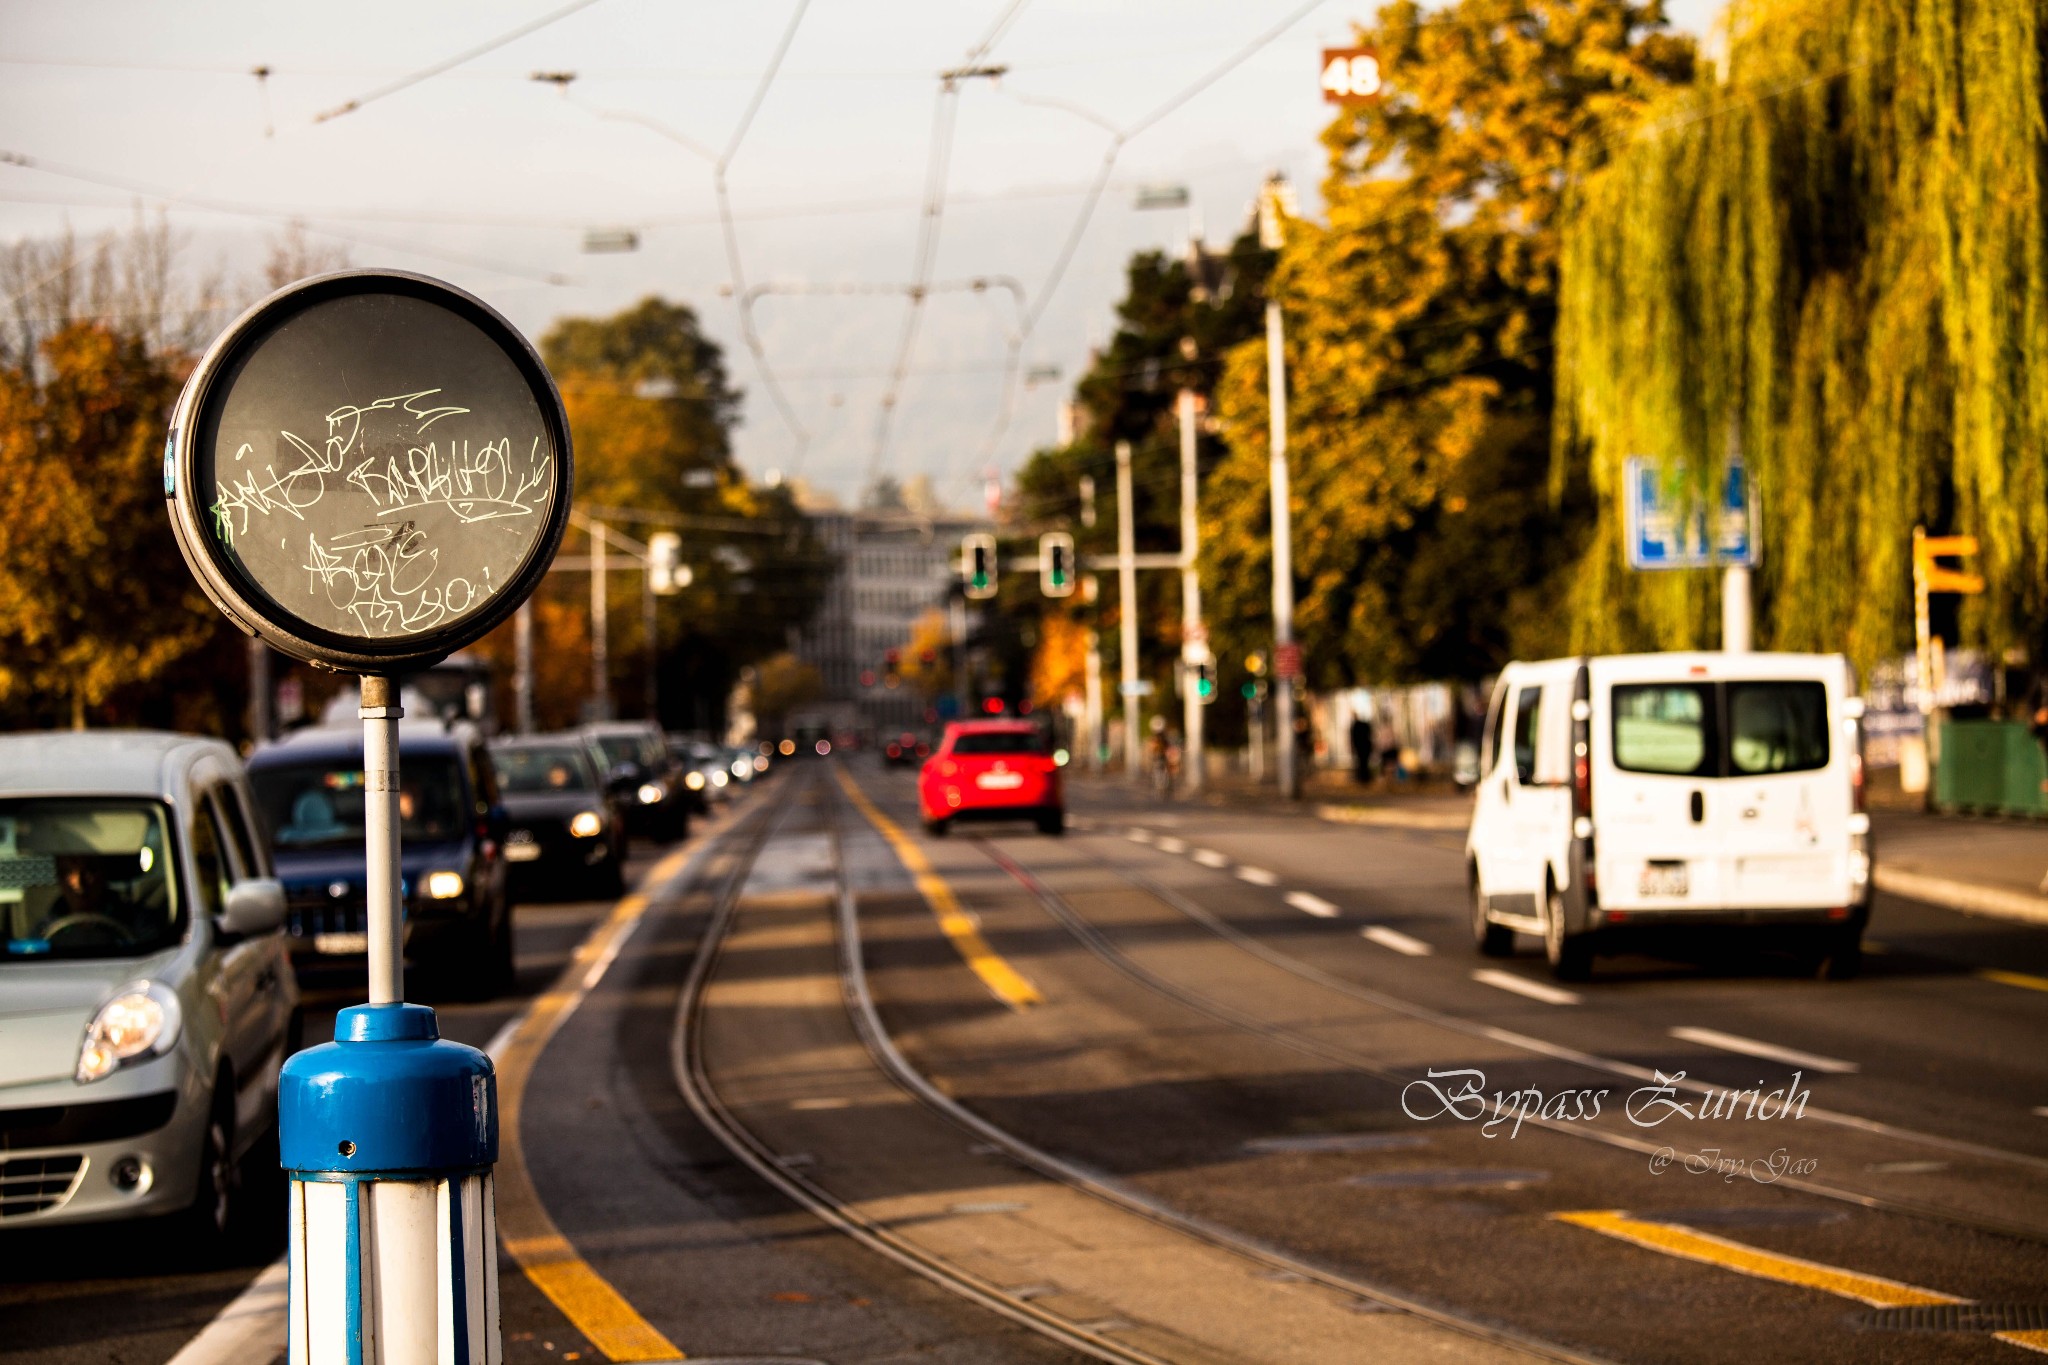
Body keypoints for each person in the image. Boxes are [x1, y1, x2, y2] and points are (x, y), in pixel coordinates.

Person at [1350, 713, 1375, 785]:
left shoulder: (1356, 726)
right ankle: (1365, 777)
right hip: (1365, 746)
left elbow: (1354, 738)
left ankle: (1364, 777)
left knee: (1362, 762)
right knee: (1364, 762)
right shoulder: (1365, 725)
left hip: (1361, 747)